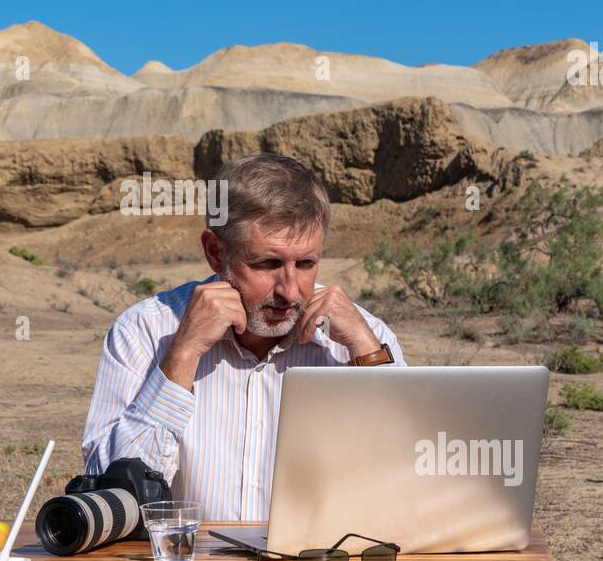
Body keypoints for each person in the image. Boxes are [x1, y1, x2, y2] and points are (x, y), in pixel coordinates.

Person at [81, 153, 407, 520]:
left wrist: (367, 355)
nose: (290, 291)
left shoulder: (365, 337)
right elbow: (106, 487)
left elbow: (408, 486)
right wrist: (184, 352)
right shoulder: (143, 331)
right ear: (215, 252)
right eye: (267, 264)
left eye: (306, 264)